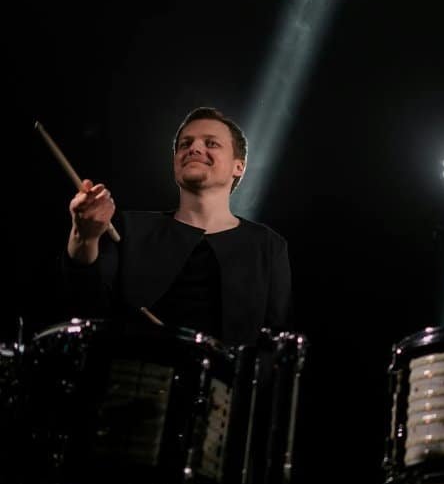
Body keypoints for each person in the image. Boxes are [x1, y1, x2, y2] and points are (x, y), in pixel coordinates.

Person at [63, 107, 292, 345]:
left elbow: (274, 344)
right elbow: (84, 304)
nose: (194, 148)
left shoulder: (268, 246)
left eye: (211, 143)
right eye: (185, 144)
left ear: (239, 167)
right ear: (175, 164)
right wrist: (84, 237)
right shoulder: (126, 228)